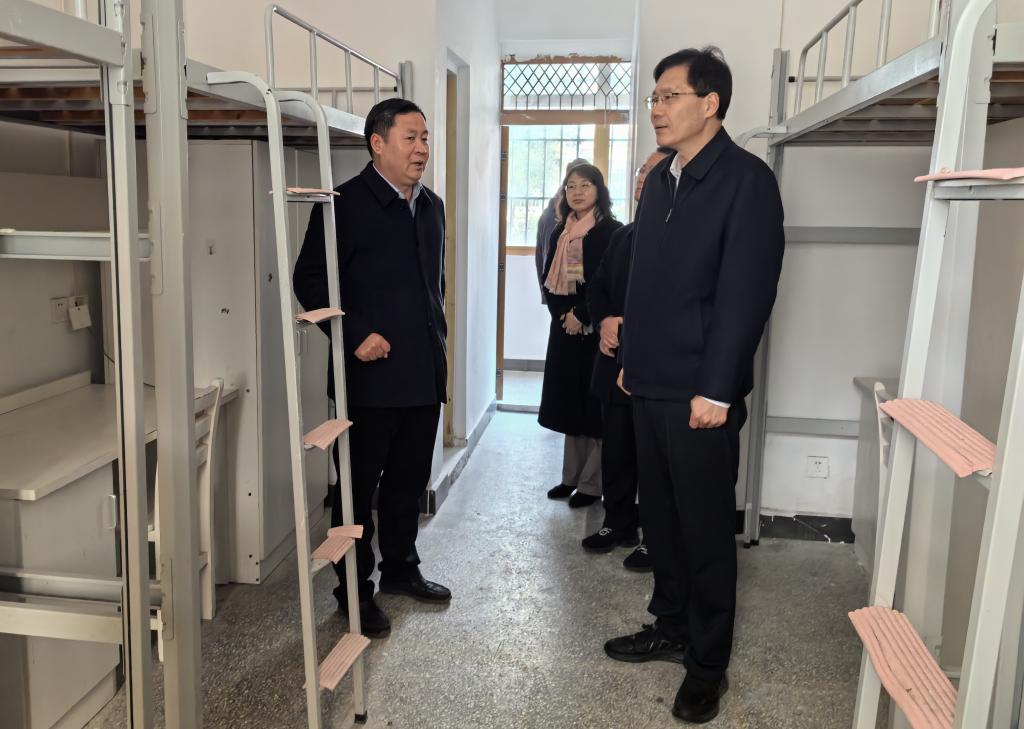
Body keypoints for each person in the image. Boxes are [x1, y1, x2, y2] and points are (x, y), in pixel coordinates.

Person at [604, 47, 785, 724]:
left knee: (705, 531)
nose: (656, 108)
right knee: (661, 519)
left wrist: (717, 388)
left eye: (669, 96)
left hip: (700, 394)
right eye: (653, 97)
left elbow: (747, 294)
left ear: (710, 104)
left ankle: (707, 665)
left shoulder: (746, 181)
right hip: (649, 380)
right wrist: (632, 355)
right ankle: (671, 624)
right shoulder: (662, 178)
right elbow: (645, 279)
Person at [292, 98, 451, 640]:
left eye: (425, 138)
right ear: (377, 143)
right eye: (411, 137)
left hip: (423, 375)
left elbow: (433, 289)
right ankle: (353, 590)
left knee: (408, 482)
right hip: (369, 381)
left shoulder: (432, 207)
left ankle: (401, 568)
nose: (422, 148)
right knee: (357, 491)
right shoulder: (343, 205)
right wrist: (355, 334)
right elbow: (310, 280)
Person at [583, 147, 672, 570]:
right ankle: (617, 522)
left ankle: (656, 538)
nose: (641, 179)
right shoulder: (624, 235)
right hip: (614, 360)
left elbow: (671, 306)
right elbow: (598, 286)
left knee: (655, 461)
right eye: (639, 172)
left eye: (650, 172)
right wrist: (604, 320)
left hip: (654, 369)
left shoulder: (678, 237)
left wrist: (631, 326)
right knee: (616, 450)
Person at [539, 164, 622, 508]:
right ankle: (571, 477)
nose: (577, 192)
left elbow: (609, 283)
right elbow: (548, 277)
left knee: (594, 409)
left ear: (599, 190)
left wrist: (582, 316)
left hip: (596, 333)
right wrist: (564, 316)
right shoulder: (562, 231)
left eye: (585, 185)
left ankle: (591, 484)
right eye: (571, 186)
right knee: (571, 406)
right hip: (566, 331)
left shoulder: (612, 231)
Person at [535, 157, 589, 303]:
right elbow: (548, 262)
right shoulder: (553, 217)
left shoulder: (588, 217)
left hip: (580, 299)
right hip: (562, 297)